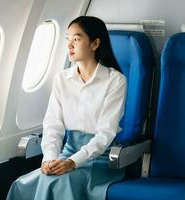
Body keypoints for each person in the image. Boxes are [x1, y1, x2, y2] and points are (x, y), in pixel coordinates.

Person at [7, 16, 127, 200]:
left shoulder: (115, 80)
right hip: (66, 153)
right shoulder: (61, 79)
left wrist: (73, 162)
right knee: (22, 184)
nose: (69, 45)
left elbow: (106, 134)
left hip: (98, 159)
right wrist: (49, 159)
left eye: (76, 39)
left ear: (95, 44)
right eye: (67, 39)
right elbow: (53, 126)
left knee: (57, 183)